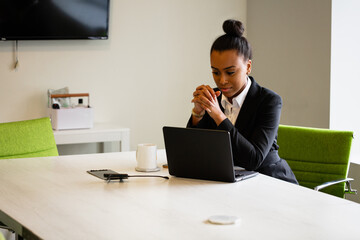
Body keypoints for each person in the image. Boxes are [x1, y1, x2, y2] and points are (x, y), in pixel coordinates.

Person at [187, 19, 298, 184]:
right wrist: (198, 114)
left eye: (230, 72)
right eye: (215, 72)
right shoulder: (214, 98)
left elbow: (253, 160)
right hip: (231, 185)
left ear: (248, 67)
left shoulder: (269, 101)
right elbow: (194, 152)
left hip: (271, 183)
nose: (222, 80)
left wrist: (218, 115)